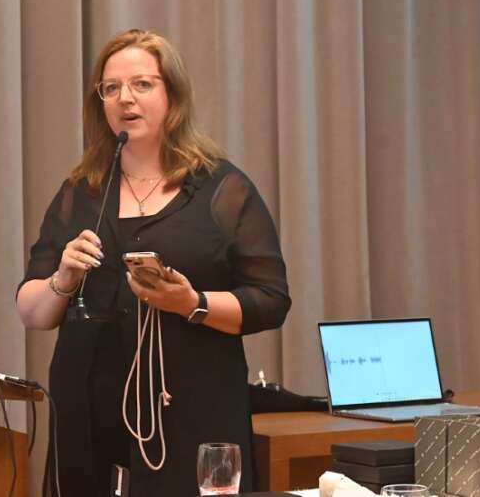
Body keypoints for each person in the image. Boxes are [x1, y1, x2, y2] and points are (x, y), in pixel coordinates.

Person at [17, 29, 291, 497]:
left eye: (142, 84)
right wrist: (62, 278)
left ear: (173, 96)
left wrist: (191, 303)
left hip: (192, 419)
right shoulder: (81, 192)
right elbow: (32, 311)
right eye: (111, 88)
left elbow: (271, 300)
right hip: (87, 422)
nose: (125, 98)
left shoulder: (221, 189)